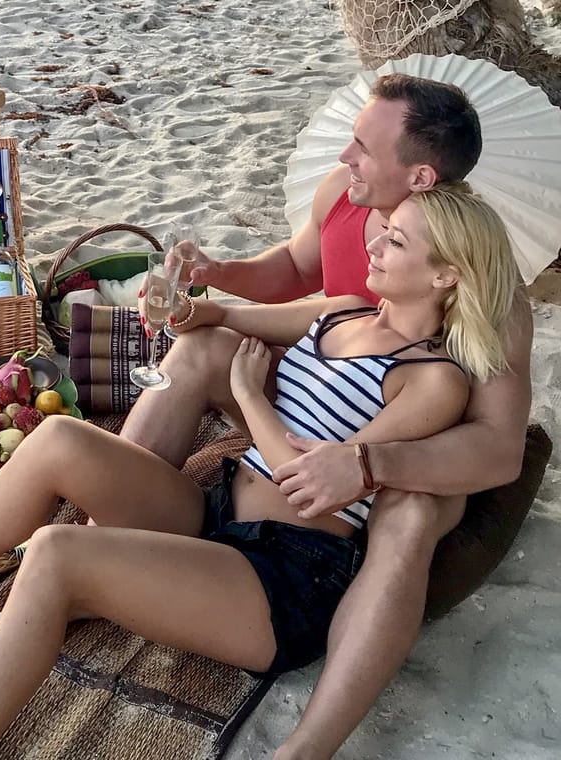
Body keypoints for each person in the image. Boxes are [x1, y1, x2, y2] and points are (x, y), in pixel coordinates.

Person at [0, 185, 521, 760]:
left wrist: (248, 397)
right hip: (219, 514)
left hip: (288, 577)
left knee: (58, 551)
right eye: (382, 229)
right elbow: (222, 318)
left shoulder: (433, 381)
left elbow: (313, 488)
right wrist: (182, 306)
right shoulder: (342, 311)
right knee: (58, 436)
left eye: (396, 240)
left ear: (446, 275)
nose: (373, 242)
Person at [120, 74, 533, 760]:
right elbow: (291, 268)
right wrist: (215, 273)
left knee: (410, 513)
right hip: (325, 381)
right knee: (199, 349)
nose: (346, 156)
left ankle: (307, 744)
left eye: (364, 147)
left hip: (410, 431)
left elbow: (496, 447)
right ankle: (122, 520)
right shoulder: (346, 195)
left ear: (420, 176)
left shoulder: (483, 283)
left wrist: (370, 463)